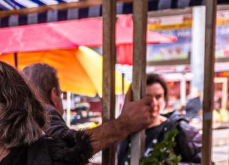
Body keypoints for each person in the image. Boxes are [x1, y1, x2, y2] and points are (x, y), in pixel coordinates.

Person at [21, 62, 153, 155]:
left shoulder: (20, 122)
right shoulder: (43, 114)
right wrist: (125, 123)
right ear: (54, 94)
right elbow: (69, 146)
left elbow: (46, 159)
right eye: (61, 95)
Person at [116, 73, 203, 165]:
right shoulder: (126, 132)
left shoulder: (179, 129)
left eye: (158, 97)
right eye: (147, 98)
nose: (154, 103)